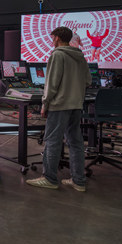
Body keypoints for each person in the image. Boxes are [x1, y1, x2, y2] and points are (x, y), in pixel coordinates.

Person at [27, 26, 91, 192]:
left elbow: (52, 84)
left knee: (52, 141)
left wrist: (45, 103)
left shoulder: (57, 55)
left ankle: (49, 178)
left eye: (52, 37)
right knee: (76, 142)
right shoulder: (80, 56)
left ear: (56, 38)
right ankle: (79, 181)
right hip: (76, 105)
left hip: (59, 106)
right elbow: (88, 81)